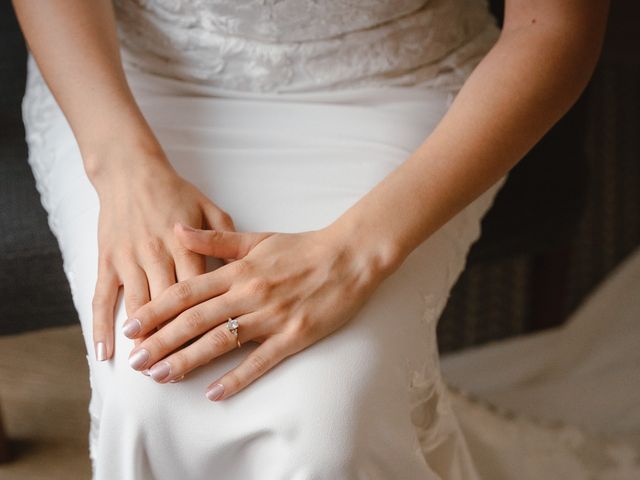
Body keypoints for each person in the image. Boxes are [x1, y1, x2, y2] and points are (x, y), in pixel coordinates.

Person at [12, 0, 609, 478]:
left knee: (329, 421)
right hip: (125, 84)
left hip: (397, 83)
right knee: (154, 397)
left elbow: (556, 25)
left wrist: (354, 252)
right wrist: (123, 167)